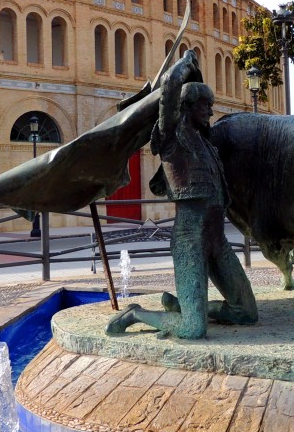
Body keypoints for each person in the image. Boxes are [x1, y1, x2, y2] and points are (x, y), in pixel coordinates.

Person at [106, 51, 257, 338]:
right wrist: (184, 64)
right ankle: (136, 313)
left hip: (217, 240)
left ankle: (183, 307)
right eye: (206, 106)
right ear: (187, 106)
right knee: (193, 329)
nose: (211, 112)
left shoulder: (205, 143)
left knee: (246, 313)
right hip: (190, 241)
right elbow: (169, 89)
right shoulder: (172, 136)